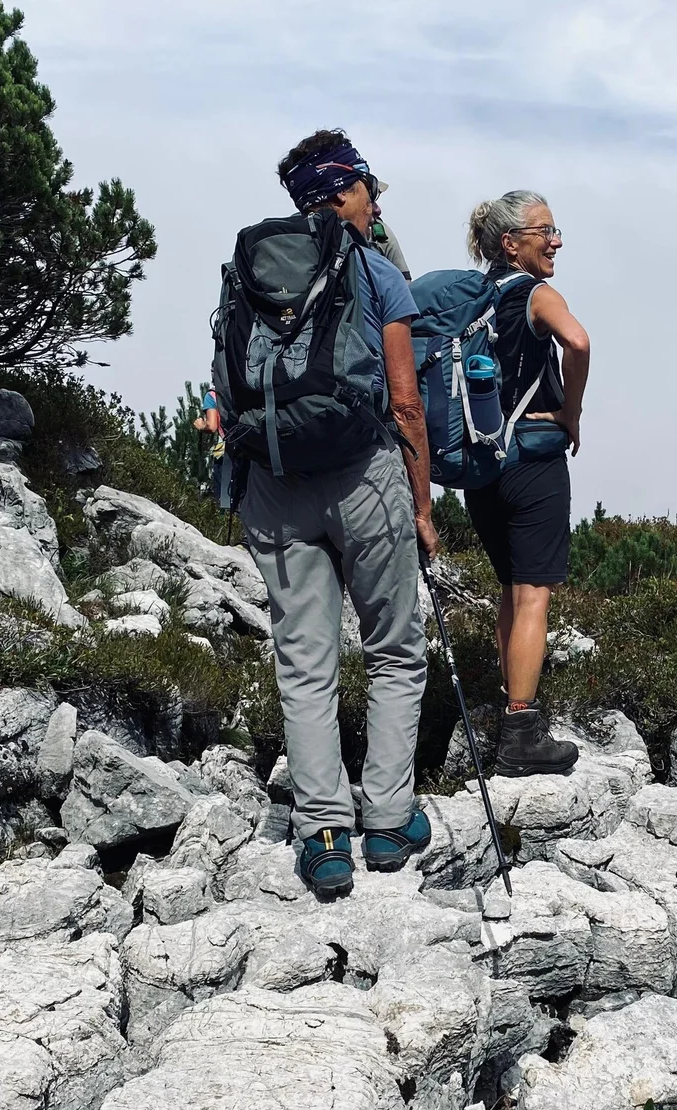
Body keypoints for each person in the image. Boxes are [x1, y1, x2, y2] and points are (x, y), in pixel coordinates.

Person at [241, 129, 440, 898]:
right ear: (350, 191)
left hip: (277, 478)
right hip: (364, 478)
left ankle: (322, 832)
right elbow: (406, 403)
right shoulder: (378, 273)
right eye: (369, 189)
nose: (374, 200)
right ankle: (389, 821)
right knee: (393, 647)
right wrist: (422, 507)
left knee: (304, 658)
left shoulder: (253, 268)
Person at [463, 190, 591, 776]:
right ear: (511, 243)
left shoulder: (473, 300)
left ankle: (507, 706)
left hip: (480, 468)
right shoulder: (537, 294)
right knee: (532, 594)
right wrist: (571, 415)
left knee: (508, 588)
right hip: (533, 466)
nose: (558, 241)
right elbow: (580, 342)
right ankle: (521, 729)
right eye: (546, 231)